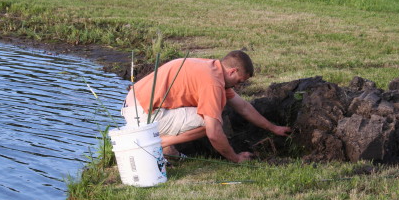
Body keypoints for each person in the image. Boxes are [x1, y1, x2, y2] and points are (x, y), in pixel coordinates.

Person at [121, 50, 291, 163]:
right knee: (211, 121)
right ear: (232, 71)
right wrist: (236, 158)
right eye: (239, 82)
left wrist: (273, 128)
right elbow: (214, 133)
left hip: (139, 105)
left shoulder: (212, 68)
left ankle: (164, 145)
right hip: (143, 115)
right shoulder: (213, 83)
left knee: (215, 112)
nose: (238, 86)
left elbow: (243, 107)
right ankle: (160, 142)